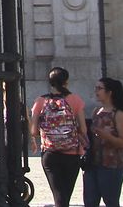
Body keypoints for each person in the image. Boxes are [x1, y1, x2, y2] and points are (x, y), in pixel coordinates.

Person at [29, 67, 88, 207]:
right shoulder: (75, 100)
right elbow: (84, 129)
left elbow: (33, 131)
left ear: (50, 82)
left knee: (58, 196)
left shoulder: (40, 101)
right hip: (72, 154)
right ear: (66, 82)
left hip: (50, 154)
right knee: (65, 196)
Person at [84, 78, 123, 207]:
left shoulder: (119, 115)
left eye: (99, 88)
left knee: (111, 201)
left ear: (109, 92)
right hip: (92, 163)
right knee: (90, 201)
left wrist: (106, 136)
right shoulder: (96, 111)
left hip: (112, 165)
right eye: (95, 88)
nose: (96, 91)